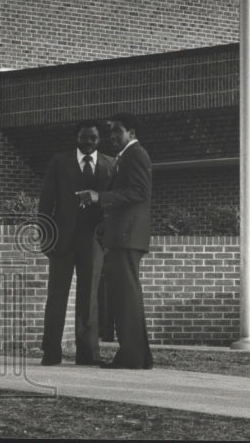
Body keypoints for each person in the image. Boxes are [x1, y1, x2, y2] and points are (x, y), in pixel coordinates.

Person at [77, 112, 154, 370]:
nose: (112, 137)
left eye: (117, 132)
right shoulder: (127, 157)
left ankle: (131, 357)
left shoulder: (136, 155)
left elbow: (140, 192)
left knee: (126, 298)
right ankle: (139, 357)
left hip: (127, 237)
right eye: (110, 132)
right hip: (122, 236)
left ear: (131, 133)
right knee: (127, 297)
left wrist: (101, 197)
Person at [38, 121, 115, 365]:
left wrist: (107, 238)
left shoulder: (110, 165)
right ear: (77, 139)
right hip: (62, 241)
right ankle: (51, 352)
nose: (87, 143)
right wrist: (46, 238)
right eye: (83, 138)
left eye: (92, 139)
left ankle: (88, 354)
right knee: (56, 296)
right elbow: (45, 202)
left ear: (98, 140)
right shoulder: (59, 163)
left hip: (93, 242)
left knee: (89, 297)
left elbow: (114, 204)